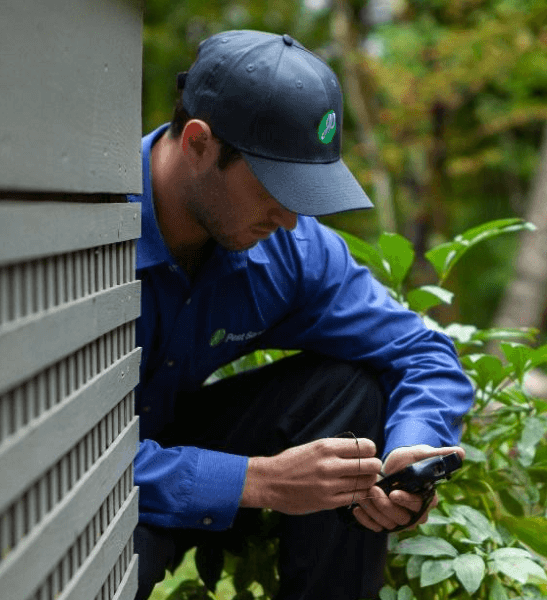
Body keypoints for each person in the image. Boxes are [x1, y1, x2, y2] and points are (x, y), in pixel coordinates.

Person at [129, 30, 473, 600]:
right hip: (84, 464)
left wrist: (410, 445)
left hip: (177, 435)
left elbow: (424, 352)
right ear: (198, 143)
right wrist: (257, 481)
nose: (289, 219)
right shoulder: (85, 235)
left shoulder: (288, 250)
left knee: (349, 393)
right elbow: (46, 454)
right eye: (275, 186)